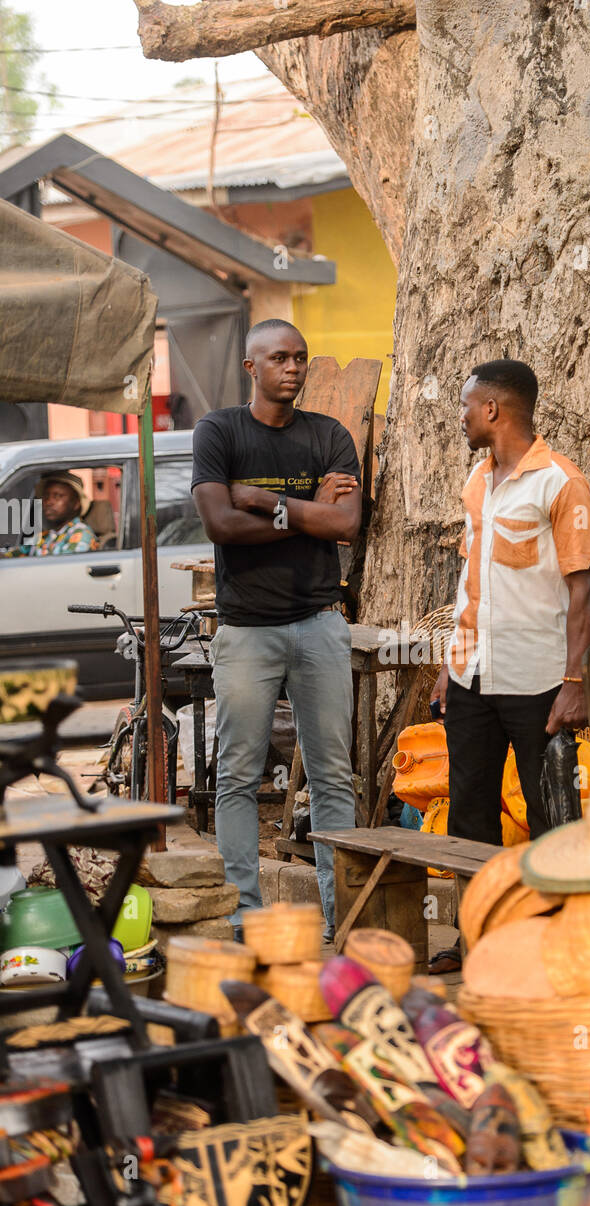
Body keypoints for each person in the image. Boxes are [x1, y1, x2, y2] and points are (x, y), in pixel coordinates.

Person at [191, 319, 360, 943]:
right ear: (250, 366)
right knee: (238, 775)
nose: (293, 368)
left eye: (301, 359)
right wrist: (306, 512)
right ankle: (245, 921)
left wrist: (265, 502)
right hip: (246, 631)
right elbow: (220, 526)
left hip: (319, 624)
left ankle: (341, 919)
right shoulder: (220, 430)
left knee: (332, 774)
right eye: (279, 358)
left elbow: (345, 526)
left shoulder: (329, 435)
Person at [429, 359, 590, 972]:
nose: (462, 416)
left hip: (539, 684)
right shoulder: (478, 482)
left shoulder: (560, 483)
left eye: (467, 405)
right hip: (474, 676)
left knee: (549, 812)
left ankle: (560, 944)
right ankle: (479, 937)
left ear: (494, 410)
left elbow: (584, 593)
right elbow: (468, 584)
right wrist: (451, 665)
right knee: (470, 814)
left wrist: (575, 684)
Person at [12, 471, 99, 555]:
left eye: (58, 496)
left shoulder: (81, 533)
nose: (49, 502)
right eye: (46, 496)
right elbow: (11, 555)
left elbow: (67, 568)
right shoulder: (44, 536)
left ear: (76, 504)